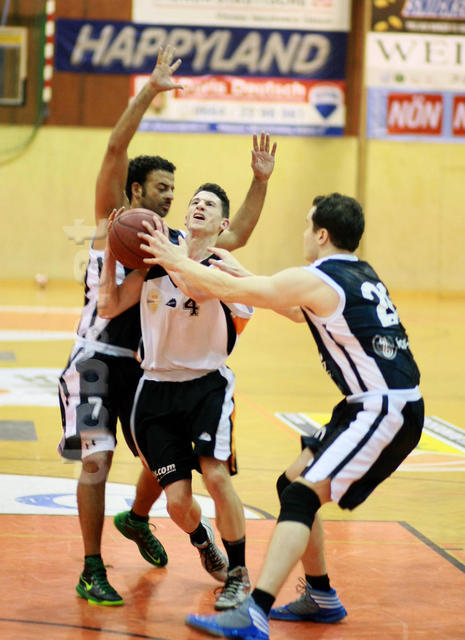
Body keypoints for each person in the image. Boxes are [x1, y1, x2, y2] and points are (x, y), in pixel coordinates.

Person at [144, 192, 424, 639]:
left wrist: (176, 259)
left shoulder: (319, 277)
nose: (303, 234)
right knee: (291, 483)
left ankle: (254, 611)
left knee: (300, 497)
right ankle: (320, 594)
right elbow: (293, 309)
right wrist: (244, 274)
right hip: (369, 405)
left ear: (322, 234)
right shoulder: (358, 273)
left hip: (384, 409)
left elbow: (234, 293)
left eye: (307, 225)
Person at [57, 46, 277, 607]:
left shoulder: (171, 244)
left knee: (161, 458)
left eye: (176, 193)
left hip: (145, 365)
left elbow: (235, 235)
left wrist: (259, 182)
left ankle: (138, 519)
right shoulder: (113, 222)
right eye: (162, 189)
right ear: (135, 192)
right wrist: (151, 90)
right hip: (95, 360)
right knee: (97, 460)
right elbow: (115, 148)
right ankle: (92, 567)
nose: (172, 198)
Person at [98, 182, 259, 611]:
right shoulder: (153, 264)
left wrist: (171, 258)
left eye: (210, 204)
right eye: (195, 202)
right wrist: (113, 249)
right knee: (176, 502)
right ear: (186, 217)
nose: (199, 206)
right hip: (155, 390)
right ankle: (203, 541)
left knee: (216, 476)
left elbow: (199, 289)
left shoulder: (223, 266)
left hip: (207, 385)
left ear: (222, 224)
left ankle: (239, 574)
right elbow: (108, 306)